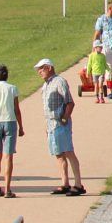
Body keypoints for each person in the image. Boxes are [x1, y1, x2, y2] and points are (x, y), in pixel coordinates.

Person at [34, 58, 83, 195]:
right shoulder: (46, 85)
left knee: (68, 152)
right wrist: (47, 125)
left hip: (60, 123)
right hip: (51, 124)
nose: (39, 72)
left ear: (49, 68)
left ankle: (78, 184)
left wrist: (65, 118)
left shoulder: (59, 82)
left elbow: (70, 102)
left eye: (41, 68)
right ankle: (65, 183)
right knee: (58, 154)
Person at [0, 65, 23, 198]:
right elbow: (17, 109)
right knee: (8, 156)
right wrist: (21, 127)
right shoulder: (12, 88)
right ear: (7, 75)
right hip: (10, 122)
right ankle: (7, 189)